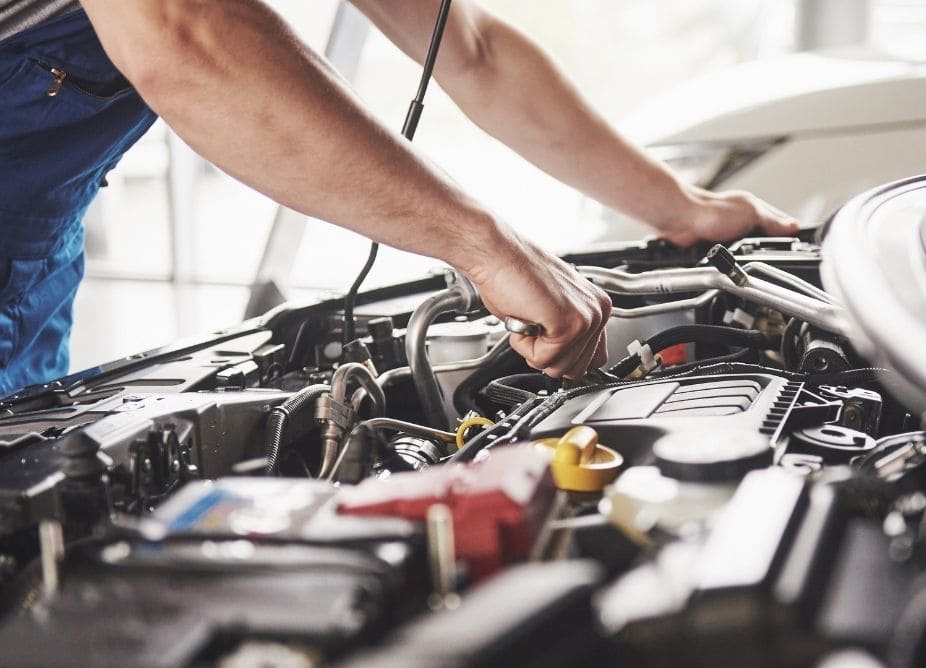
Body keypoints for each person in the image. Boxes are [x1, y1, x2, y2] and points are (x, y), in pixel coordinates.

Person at [0, 0, 798, 394]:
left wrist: (678, 207)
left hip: (32, 262)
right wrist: (486, 247)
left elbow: (472, 51)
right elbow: (186, 36)